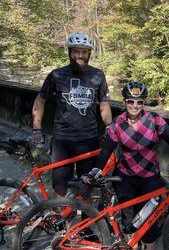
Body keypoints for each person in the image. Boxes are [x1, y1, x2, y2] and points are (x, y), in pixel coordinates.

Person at [89, 81, 169, 250]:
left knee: (150, 219)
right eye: (131, 101)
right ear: (125, 102)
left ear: (144, 103)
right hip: (125, 178)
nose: (135, 106)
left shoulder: (155, 120)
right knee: (129, 219)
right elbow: (106, 151)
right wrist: (97, 170)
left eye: (139, 102)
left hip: (150, 177)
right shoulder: (117, 124)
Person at [31, 31, 112, 197]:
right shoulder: (57, 74)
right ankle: (57, 223)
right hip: (62, 141)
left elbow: (104, 104)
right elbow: (40, 100)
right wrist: (36, 128)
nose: (79, 55)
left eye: (83, 52)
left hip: (88, 140)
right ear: (69, 52)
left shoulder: (98, 75)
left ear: (89, 53)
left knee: (87, 188)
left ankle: (86, 223)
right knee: (60, 188)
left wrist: (110, 127)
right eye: (75, 51)